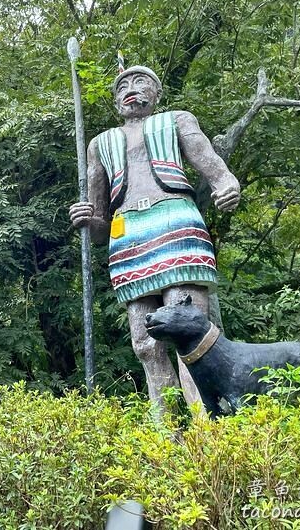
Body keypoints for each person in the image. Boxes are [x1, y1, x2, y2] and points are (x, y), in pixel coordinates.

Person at [69, 65, 240, 408]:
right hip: (128, 234)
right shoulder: (100, 144)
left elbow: (211, 163)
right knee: (145, 343)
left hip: (174, 220)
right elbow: (99, 228)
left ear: (157, 93)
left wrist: (227, 184)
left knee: (188, 328)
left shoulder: (177, 120)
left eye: (140, 81)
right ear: (115, 101)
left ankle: (205, 424)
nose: (130, 89)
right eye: (122, 87)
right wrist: (86, 218)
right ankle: (166, 428)